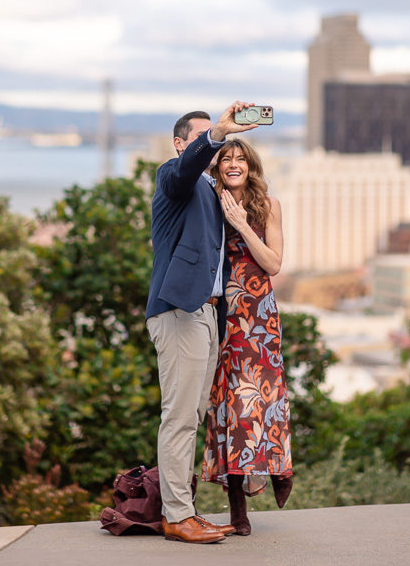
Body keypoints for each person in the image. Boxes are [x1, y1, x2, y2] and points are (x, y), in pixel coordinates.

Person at [145, 101, 259, 545]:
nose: (215, 142)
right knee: (178, 417)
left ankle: (185, 510)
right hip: (178, 310)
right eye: (202, 136)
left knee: (191, 416)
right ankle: (177, 516)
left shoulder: (212, 190)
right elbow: (185, 171)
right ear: (180, 144)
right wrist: (214, 137)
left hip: (207, 313)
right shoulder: (174, 177)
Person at [202, 139, 293, 536]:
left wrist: (241, 224)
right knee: (231, 405)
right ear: (218, 166)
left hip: (260, 313)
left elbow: (273, 263)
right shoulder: (208, 200)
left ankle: (279, 466)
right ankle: (237, 505)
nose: (233, 164)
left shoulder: (267, 204)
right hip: (225, 313)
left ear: (250, 165)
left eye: (240, 159)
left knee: (268, 398)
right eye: (226, 158)